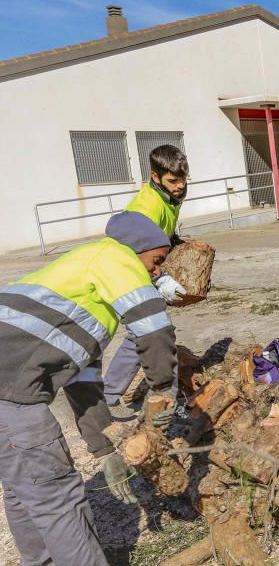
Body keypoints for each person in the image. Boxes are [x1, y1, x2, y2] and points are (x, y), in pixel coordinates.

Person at [0, 211, 178, 566]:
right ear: (137, 252)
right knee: (58, 495)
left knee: (22, 485)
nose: (158, 272)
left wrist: (104, 449)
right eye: (156, 261)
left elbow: (81, 384)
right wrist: (163, 388)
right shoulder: (116, 258)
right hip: (10, 397)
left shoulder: (82, 292)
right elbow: (154, 330)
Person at [104, 144, 189, 405]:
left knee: (148, 330)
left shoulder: (169, 196)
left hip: (145, 264)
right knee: (144, 330)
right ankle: (107, 396)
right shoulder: (147, 207)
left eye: (183, 180)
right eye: (173, 181)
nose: (180, 186)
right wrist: (158, 278)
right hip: (129, 267)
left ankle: (111, 392)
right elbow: (134, 250)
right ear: (155, 177)